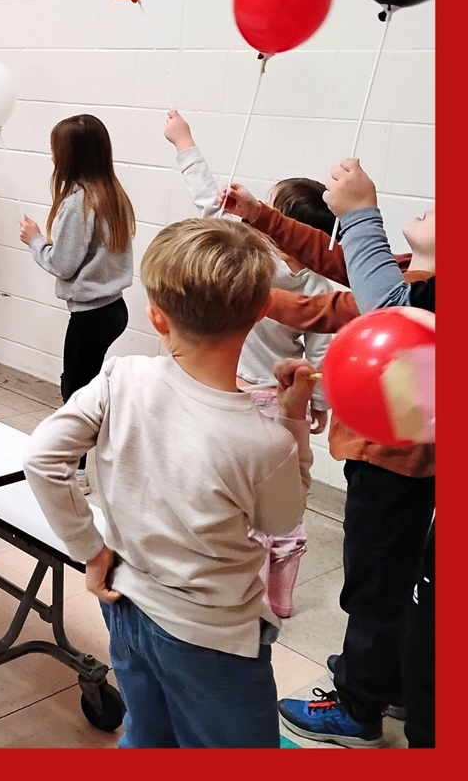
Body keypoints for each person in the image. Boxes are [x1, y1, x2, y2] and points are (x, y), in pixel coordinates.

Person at [23, 218, 315, 748]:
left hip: (127, 608)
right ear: (260, 312)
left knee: (146, 736)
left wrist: (90, 549)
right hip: (213, 638)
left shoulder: (121, 376)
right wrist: (294, 419)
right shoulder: (263, 441)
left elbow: (43, 458)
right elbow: (281, 519)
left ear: (157, 317)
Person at [221, 174, 434, 747]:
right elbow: (341, 265)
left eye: (441, 213)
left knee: (374, 587)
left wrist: (363, 210)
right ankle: (384, 680)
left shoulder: (424, 297)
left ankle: (358, 709)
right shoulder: (416, 273)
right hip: (389, 460)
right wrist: (260, 216)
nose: (427, 209)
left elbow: (350, 302)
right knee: (395, 583)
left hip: (394, 466)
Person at [164, 109, 334, 617]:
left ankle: (242, 589)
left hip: (239, 397)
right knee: (284, 494)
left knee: (239, 498)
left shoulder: (250, 267)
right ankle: (281, 593)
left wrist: (184, 141)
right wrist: (317, 404)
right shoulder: (321, 284)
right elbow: (321, 350)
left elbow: (205, 206)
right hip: (283, 401)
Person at [18, 114, 135, 493]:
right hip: (113, 309)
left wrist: (35, 240)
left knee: (76, 390)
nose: (53, 158)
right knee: (85, 385)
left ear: (70, 157)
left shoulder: (78, 204)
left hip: (91, 315)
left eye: (56, 151)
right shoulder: (113, 194)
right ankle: (94, 456)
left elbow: (62, 264)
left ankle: (80, 469)